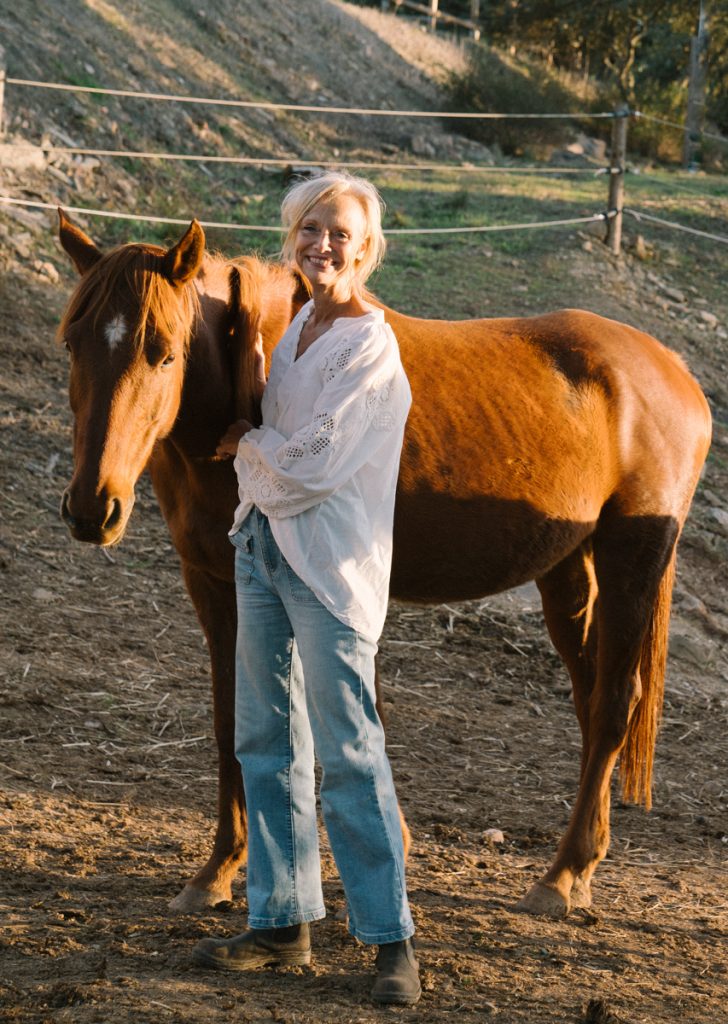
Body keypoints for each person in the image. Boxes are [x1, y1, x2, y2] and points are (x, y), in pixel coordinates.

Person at [192, 171, 419, 1005]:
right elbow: (282, 430)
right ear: (294, 238)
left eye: (340, 233)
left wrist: (245, 440)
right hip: (261, 548)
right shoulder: (297, 333)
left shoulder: (369, 345)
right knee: (266, 742)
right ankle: (282, 920)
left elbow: (313, 465)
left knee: (350, 752)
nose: (322, 244)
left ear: (366, 250)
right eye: (310, 228)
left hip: (327, 567)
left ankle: (391, 939)